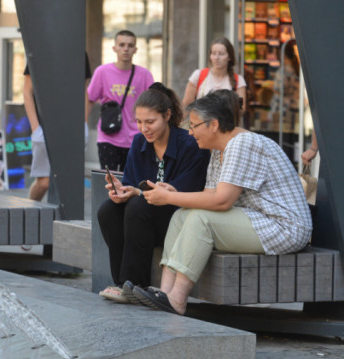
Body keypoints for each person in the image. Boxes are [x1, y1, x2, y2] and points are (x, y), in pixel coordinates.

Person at [133, 90, 311, 315]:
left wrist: (168, 197)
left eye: (194, 125)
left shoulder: (242, 143)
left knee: (200, 219)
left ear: (213, 124)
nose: (190, 132)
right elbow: (209, 196)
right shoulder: (219, 150)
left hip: (284, 227)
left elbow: (221, 201)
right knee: (181, 215)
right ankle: (164, 293)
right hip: (257, 218)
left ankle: (177, 299)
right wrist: (174, 192)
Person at [97, 83, 210, 303]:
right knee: (108, 210)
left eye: (150, 122)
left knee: (137, 206)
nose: (144, 128)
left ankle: (135, 284)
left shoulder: (188, 144)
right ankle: (121, 283)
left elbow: (186, 193)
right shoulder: (139, 142)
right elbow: (132, 185)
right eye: (139, 122)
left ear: (167, 116)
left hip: (179, 218)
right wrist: (123, 191)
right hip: (142, 218)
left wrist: (138, 195)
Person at [23, 54, 91, 202]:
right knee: (44, 183)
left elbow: (83, 91)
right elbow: (27, 91)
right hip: (44, 125)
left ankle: (58, 222)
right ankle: (30, 211)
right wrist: (35, 128)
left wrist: (83, 123)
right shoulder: (37, 49)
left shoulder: (79, 51)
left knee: (66, 181)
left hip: (71, 126)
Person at [88, 30, 155, 171]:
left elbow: (153, 104)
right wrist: (83, 126)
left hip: (135, 138)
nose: (126, 49)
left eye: (130, 45)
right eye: (122, 44)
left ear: (135, 49)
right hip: (108, 137)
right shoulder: (102, 72)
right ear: (114, 48)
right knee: (109, 182)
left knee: (129, 184)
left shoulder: (144, 75)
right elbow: (90, 99)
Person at [182, 37, 247, 115]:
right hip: (201, 125)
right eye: (213, 53)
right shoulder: (198, 75)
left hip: (226, 125)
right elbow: (186, 105)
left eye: (221, 54)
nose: (217, 58)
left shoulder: (238, 80)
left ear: (229, 57)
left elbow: (241, 109)